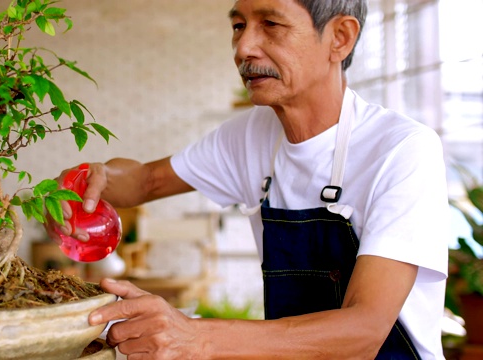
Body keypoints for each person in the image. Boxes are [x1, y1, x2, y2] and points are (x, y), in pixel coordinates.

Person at [46, 0, 449, 358]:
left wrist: (195, 337)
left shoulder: (402, 149)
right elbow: (146, 180)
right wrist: (87, 180)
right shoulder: (249, 136)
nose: (243, 48)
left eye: (271, 24)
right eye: (238, 25)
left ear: (339, 38)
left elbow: (362, 335)